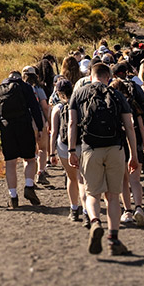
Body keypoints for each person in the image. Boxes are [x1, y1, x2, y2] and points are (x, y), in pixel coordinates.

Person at [68, 63, 139, 256]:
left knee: (92, 194)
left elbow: (73, 123)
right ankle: (113, 239)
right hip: (115, 148)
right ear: (108, 76)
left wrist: (72, 149)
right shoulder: (117, 94)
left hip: (90, 148)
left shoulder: (79, 93)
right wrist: (133, 154)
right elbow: (130, 127)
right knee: (113, 196)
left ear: (91, 76)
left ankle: (95, 222)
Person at [0, 70, 45, 208]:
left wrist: (2, 127)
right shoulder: (25, 87)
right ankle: (28, 186)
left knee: (10, 163)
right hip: (24, 126)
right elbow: (34, 107)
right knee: (29, 159)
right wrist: (40, 127)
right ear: (19, 77)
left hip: (7, 129)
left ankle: (13, 197)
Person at [110, 73, 144, 228]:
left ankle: (127, 210)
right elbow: (140, 126)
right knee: (135, 180)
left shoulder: (113, 104)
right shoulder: (133, 104)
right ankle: (139, 207)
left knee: (124, 181)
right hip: (136, 143)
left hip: (121, 144)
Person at [49, 78, 83, 221]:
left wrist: (51, 153)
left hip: (63, 145)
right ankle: (87, 210)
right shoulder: (79, 104)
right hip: (82, 144)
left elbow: (54, 132)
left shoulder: (57, 108)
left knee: (71, 178)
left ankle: (74, 209)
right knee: (83, 179)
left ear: (58, 92)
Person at [23, 67, 54, 185]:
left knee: (29, 152)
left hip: (25, 122)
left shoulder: (20, 89)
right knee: (42, 148)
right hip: (38, 120)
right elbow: (45, 107)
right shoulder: (38, 88)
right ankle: (41, 172)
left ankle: (29, 178)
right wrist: (49, 121)